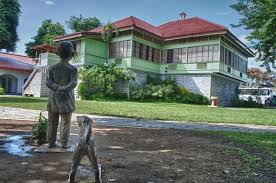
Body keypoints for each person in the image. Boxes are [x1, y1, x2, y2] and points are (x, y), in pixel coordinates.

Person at [46, 41, 78, 148]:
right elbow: (73, 83)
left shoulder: (52, 68)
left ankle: (51, 141)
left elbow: (48, 82)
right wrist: (64, 88)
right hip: (66, 99)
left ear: (58, 53)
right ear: (70, 53)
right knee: (65, 122)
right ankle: (64, 143)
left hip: (54, 98)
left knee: (52, 121)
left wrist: (57, 88)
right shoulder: (72, 69)